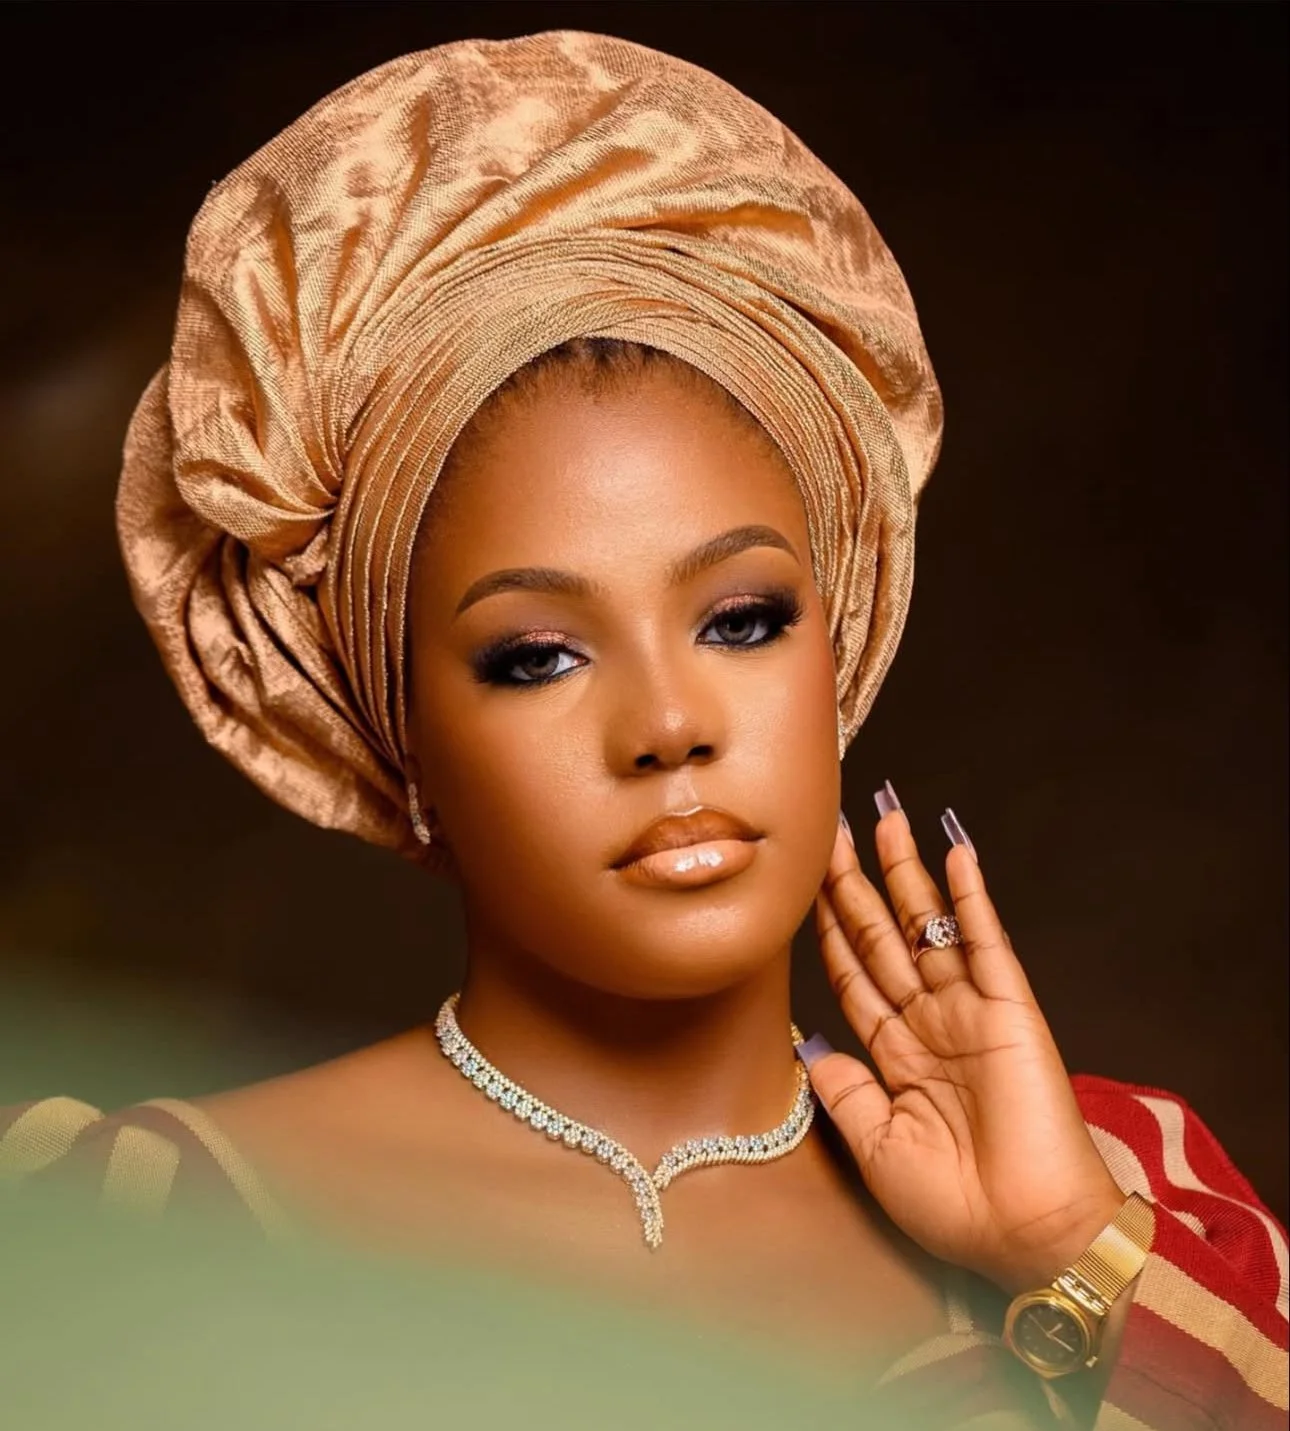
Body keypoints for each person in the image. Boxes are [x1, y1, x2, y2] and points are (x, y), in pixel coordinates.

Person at [2, 32, 1284, 1430]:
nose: (668, 725)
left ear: (835, 644)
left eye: (739, 620)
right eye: (535, 655)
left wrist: (1066, 1263)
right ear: (383, 725)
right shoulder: (153, 1220)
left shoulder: (1134, 1200)